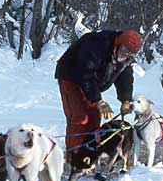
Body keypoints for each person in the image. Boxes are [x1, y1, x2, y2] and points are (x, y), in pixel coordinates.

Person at [55, 29, 142, 169]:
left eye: (130, 54)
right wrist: (98, 101)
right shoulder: (97, 44)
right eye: (126, 51)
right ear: (119, 43)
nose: (127, 55)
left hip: (91, 84)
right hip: (71, 78)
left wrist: (125, 100)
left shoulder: (124, 58)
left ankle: (89, 155)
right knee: (80, 117)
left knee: (94, 117)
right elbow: (85, 73)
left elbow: (125, 78)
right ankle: (75, 160)